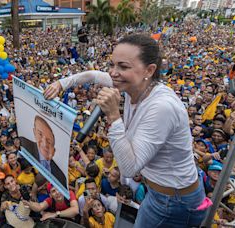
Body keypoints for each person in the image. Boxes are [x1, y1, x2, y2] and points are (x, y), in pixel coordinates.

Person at [44, 34, 207, 227]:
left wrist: (113, 115)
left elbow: (130, 168)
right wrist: (61, 84)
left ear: (149, 70)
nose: (113, 73)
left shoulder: (162, 106)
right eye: (112, 65)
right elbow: (92, 75)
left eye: (123, 66)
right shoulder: (132, 85)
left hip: (175, 201)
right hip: (158, 193)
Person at [20, 115, 66, 188]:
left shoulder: (60, 175)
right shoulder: (24, 145)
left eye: (49, 141)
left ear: (53, 151)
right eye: (40, 134)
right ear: (34, 132)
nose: (44, 143)